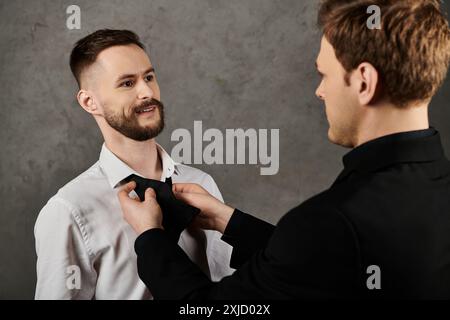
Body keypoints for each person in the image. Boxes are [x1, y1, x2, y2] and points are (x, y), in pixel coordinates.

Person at [118, 0, 450, 299]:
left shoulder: (331, 221)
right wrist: (228, 221)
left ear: (364, 81)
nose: (320, 91)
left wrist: (150, 237)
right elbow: (326, 266)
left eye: (324, 74)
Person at [34, 29, 233, 299]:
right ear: (89, 102)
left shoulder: (202, 184)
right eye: (127, 83)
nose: (147, 92)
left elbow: (228, 291)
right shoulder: (69, 210)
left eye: (149, 77)